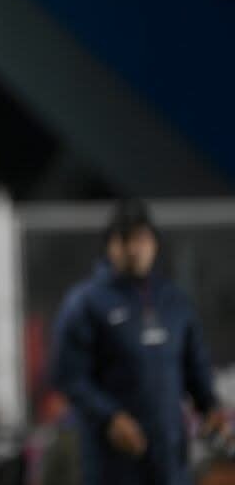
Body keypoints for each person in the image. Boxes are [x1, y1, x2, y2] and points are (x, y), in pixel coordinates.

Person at [52, 199, 230, 485]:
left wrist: (209, 407)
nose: (135, 249)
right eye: (125, 239)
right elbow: (70, 376)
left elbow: (194, 364)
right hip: (112, 457)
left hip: (169, 452)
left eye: (142, 239)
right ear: (110, 245)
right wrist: (110, 417)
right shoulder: (86, 302)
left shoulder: (174, 301)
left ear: (154, 243)